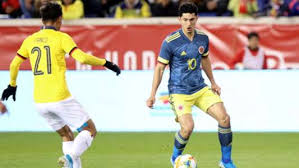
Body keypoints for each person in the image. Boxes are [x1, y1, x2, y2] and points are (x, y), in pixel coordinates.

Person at [1, 2, 120, 168]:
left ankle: (71, 163)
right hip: (59, 97)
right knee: (90, 130)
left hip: (40, 102)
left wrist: (12, 85)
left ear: (42, 20)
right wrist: (106, 62)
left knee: (66, 134)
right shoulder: (62, 38)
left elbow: (14, 64)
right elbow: (83, 58)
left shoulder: (30, 40)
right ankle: (70, 157)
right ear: (59, 19)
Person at [146, 2, 236, 168]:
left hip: (200, 89)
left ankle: (226, 161)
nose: (189, 24)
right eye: (185, 20)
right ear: (179, 19)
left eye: (192, 20)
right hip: (179, 92)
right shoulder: (170, 42)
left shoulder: (203, 38)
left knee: (225, 119)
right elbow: (160, 68)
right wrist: (152, 94)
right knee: (187, 128)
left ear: (197, 19)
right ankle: (175, 157)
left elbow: (205, 59)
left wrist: (213, 82)